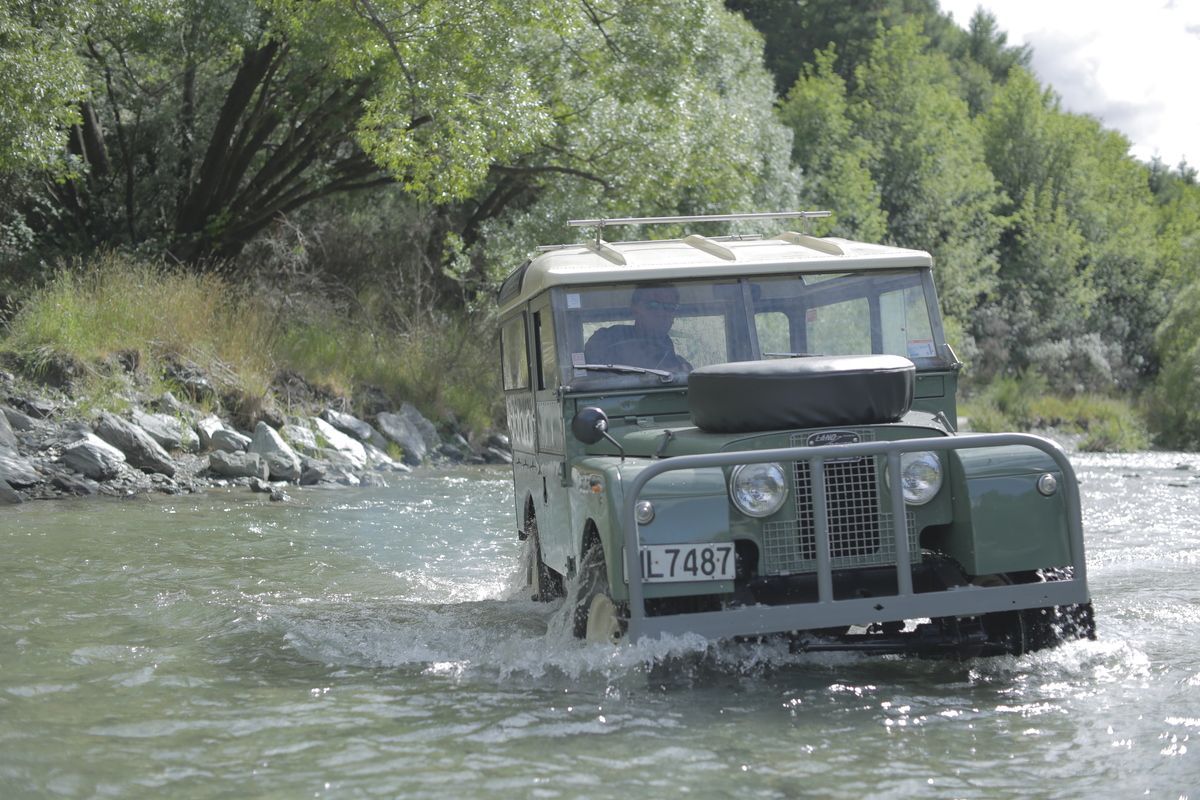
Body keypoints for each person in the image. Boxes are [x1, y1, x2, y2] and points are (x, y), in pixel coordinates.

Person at [584, 285, 693, 372]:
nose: (661, 313)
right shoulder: (606, 340)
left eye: (669, 307)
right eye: (653, 305)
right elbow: (587, 383)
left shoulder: (681, 369)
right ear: (635, 308)